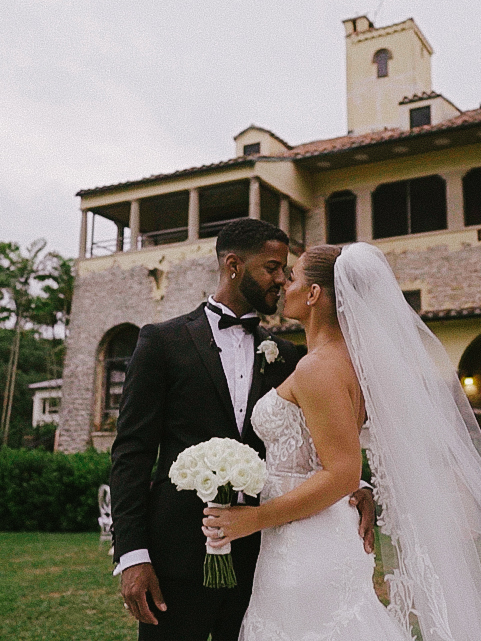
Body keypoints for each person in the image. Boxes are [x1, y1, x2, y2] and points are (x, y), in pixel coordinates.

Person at [204, 241, 481, 641]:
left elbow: (343, 472)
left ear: (313, 294)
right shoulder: (346, 361)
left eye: (292, 277)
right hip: (308, 534)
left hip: (307, 544)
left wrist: (254, 519)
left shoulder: (317, 368)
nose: (283, 284)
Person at [110, 218, 375, 641]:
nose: (280, 279)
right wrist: (132, 554)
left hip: (265, 556)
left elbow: (319, 437)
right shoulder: (162, 342)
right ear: (233, 265)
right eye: (272, 267)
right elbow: (131, 454)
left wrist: (356, 485)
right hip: (176, 557)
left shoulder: (290, 356)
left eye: (287, 270)